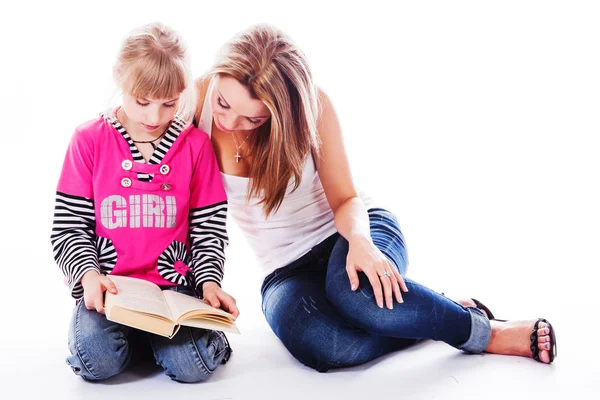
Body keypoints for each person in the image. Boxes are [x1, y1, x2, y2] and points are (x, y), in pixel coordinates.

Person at [193, 24, 557, 373]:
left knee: (355, 296)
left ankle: (482, 332)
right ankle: (433, 314)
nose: (229, 122)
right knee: (324, 344)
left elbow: (346, 199)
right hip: (285, 268)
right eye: (224, 103)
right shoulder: (195, 102)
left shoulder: (313, 108)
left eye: (253, 119)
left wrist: (360, 242)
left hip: (354, 230)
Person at [50, 22, 238, 382]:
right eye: (142, 102)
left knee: (192, 368)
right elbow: (70, 226)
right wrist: (89, 276)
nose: (155, 117)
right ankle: (145, 342)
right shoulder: (89, 140)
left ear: (184, 92)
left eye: (170, 103)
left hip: (176, 293)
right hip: (110, 292)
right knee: (96, 361)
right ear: (121, 80)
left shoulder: (195, 146)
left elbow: (209, 228)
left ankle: (171, 342)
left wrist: (210, 284)